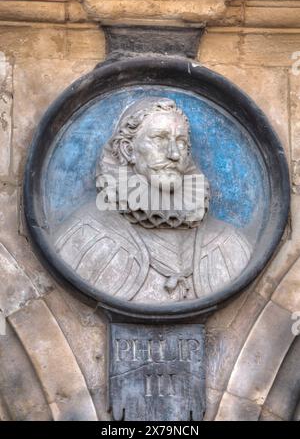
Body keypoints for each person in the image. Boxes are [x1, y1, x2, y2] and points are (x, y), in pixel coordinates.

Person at [54, 97, 252, 303]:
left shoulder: (229, 243)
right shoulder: (83, 235)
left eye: (182, 142)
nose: (174, 154)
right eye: (160, 139)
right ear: (127, 150)